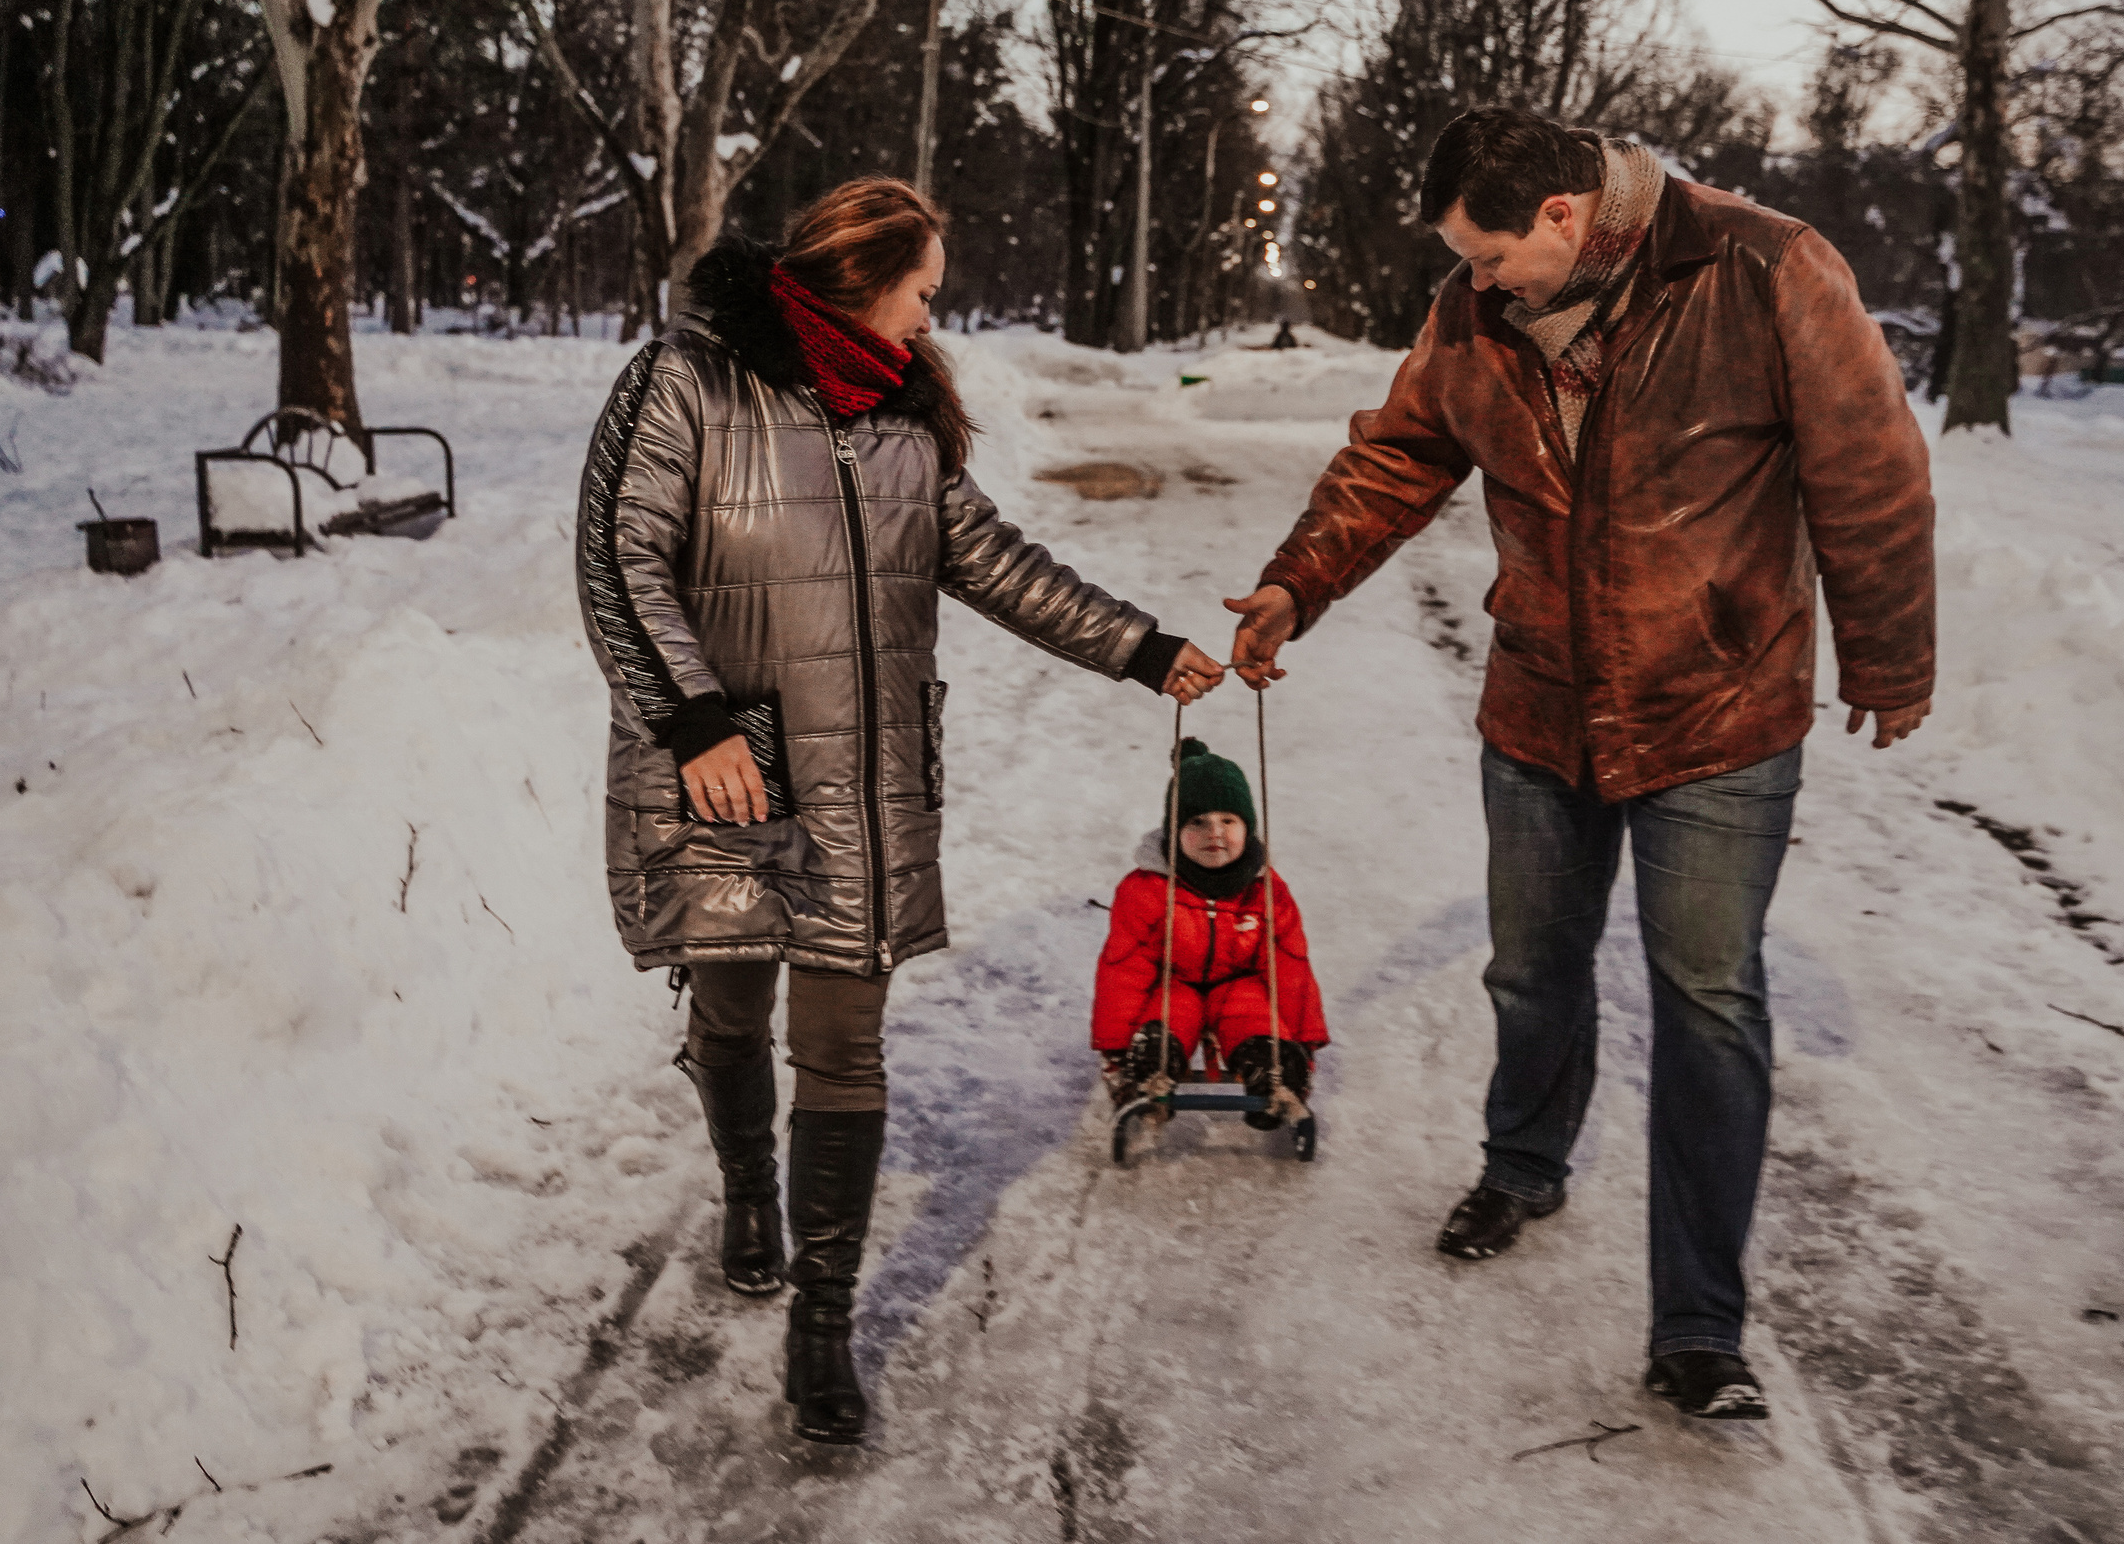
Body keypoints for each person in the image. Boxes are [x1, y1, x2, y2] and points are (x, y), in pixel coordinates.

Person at [1224, 109, 1934, 1422]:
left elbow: (1870, 466)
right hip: (1543, 704)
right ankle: (1524, 1160)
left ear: (1563, 215)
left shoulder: (1766, 269)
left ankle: (1699, 1325)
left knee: (1710, 998)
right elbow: (1397, 455)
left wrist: (1886, 656)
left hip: (1716, 709)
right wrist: (1294, 583)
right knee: (1531, 963)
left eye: (1489, 254)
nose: (1475, 279)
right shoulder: (1475, 312)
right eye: (1463, 262)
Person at [574, 177, 1226, 1446]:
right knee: (726, 998)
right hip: (726, 763)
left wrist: (1143, 650)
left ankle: (823, 1326)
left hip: (863, 787)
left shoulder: (903, 417)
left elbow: (990, 561)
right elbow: (617, 558)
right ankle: (746, 1190)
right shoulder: (686, 382)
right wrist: (693, 719)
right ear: (861, 276)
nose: (938, 309)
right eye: (924, 285)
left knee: (845, 1043)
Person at [1091, 738, 1328, 1123]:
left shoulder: (1267, 892)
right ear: (1173, 830)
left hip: (1238, 982)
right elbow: (1124, 969)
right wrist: (1115, 1050)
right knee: (1167, 1014)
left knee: (1250, 1011)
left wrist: (1302, 1043)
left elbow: (1290, 968)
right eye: (1197, 822)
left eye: (1228, 821)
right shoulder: (1147, 890)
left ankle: (1273, 1072)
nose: (1214, 833)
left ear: (1247, 827)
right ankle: (1150, 1070)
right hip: (1174, 982)